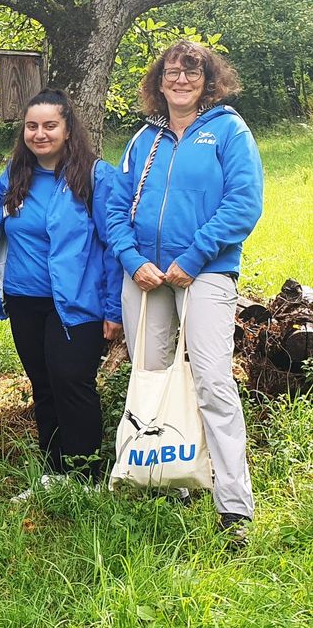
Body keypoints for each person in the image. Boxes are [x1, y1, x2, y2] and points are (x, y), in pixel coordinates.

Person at [106, 40, 262, 546]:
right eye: (172, 72)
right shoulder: (143, 139)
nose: (181, 80)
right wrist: (133, 261)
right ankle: (173, 479)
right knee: (152, 378)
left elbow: (244, 203)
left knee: (213, 382)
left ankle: (233, 507)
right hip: (146, 277)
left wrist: (192, 258)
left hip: (206, 273)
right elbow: (116, 209)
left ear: (208, 80)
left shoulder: (229, 130)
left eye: (192, 72)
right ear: (158, 82)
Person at [0, 89, 122, 499]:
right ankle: (54, 473)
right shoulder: (14, 176)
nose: (40, 134)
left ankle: (85, 476)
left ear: (68, 129)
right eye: (32, 126)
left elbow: (114, 246)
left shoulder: (95, 177)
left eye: (50, 125)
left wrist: (114, 308)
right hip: (24, 300)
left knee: (72, 381)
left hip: (77, 302)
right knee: (43, 384)